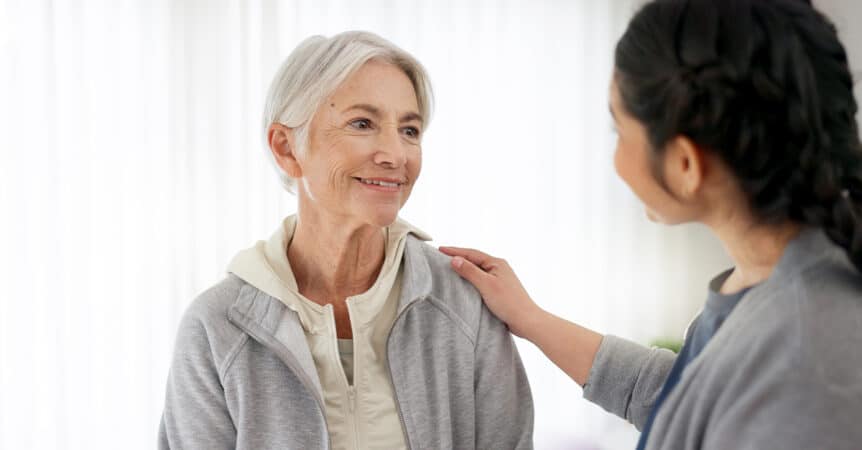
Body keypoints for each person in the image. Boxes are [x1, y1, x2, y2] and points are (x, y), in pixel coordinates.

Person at [441, 0, 862, 448]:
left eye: (619, 131)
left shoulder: (808, 362)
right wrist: (531, 319)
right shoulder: (764, 281)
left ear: (684, 164)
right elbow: (682, 398)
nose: (616, 157)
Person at [158, 31, 533, 450]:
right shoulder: (215, 328)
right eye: (362, 123)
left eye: (409, 130)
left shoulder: (465, 303)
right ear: (286, 148)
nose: (396, 155)